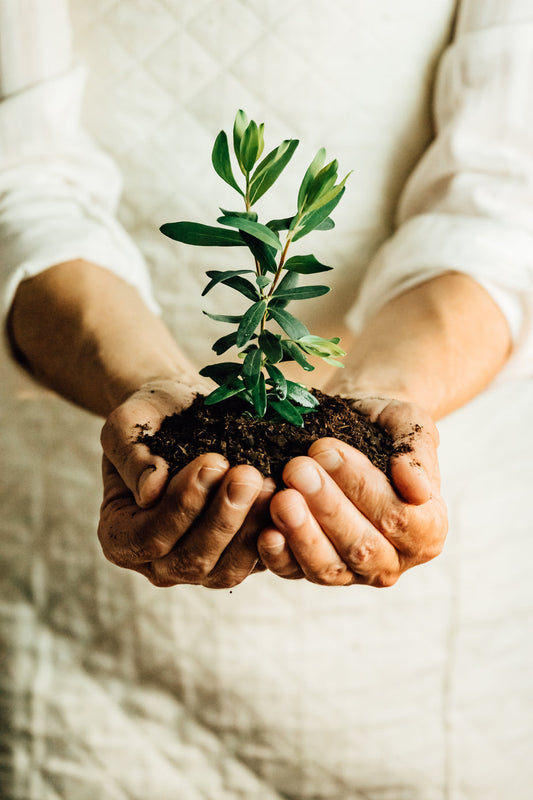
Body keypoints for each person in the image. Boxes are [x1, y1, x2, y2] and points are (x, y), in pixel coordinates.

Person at [1, 1, 532, 798]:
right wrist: (144, 382)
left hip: (429, 667)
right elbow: (17, 178)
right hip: (73, 611)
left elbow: (505, 196)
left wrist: (390, 390)